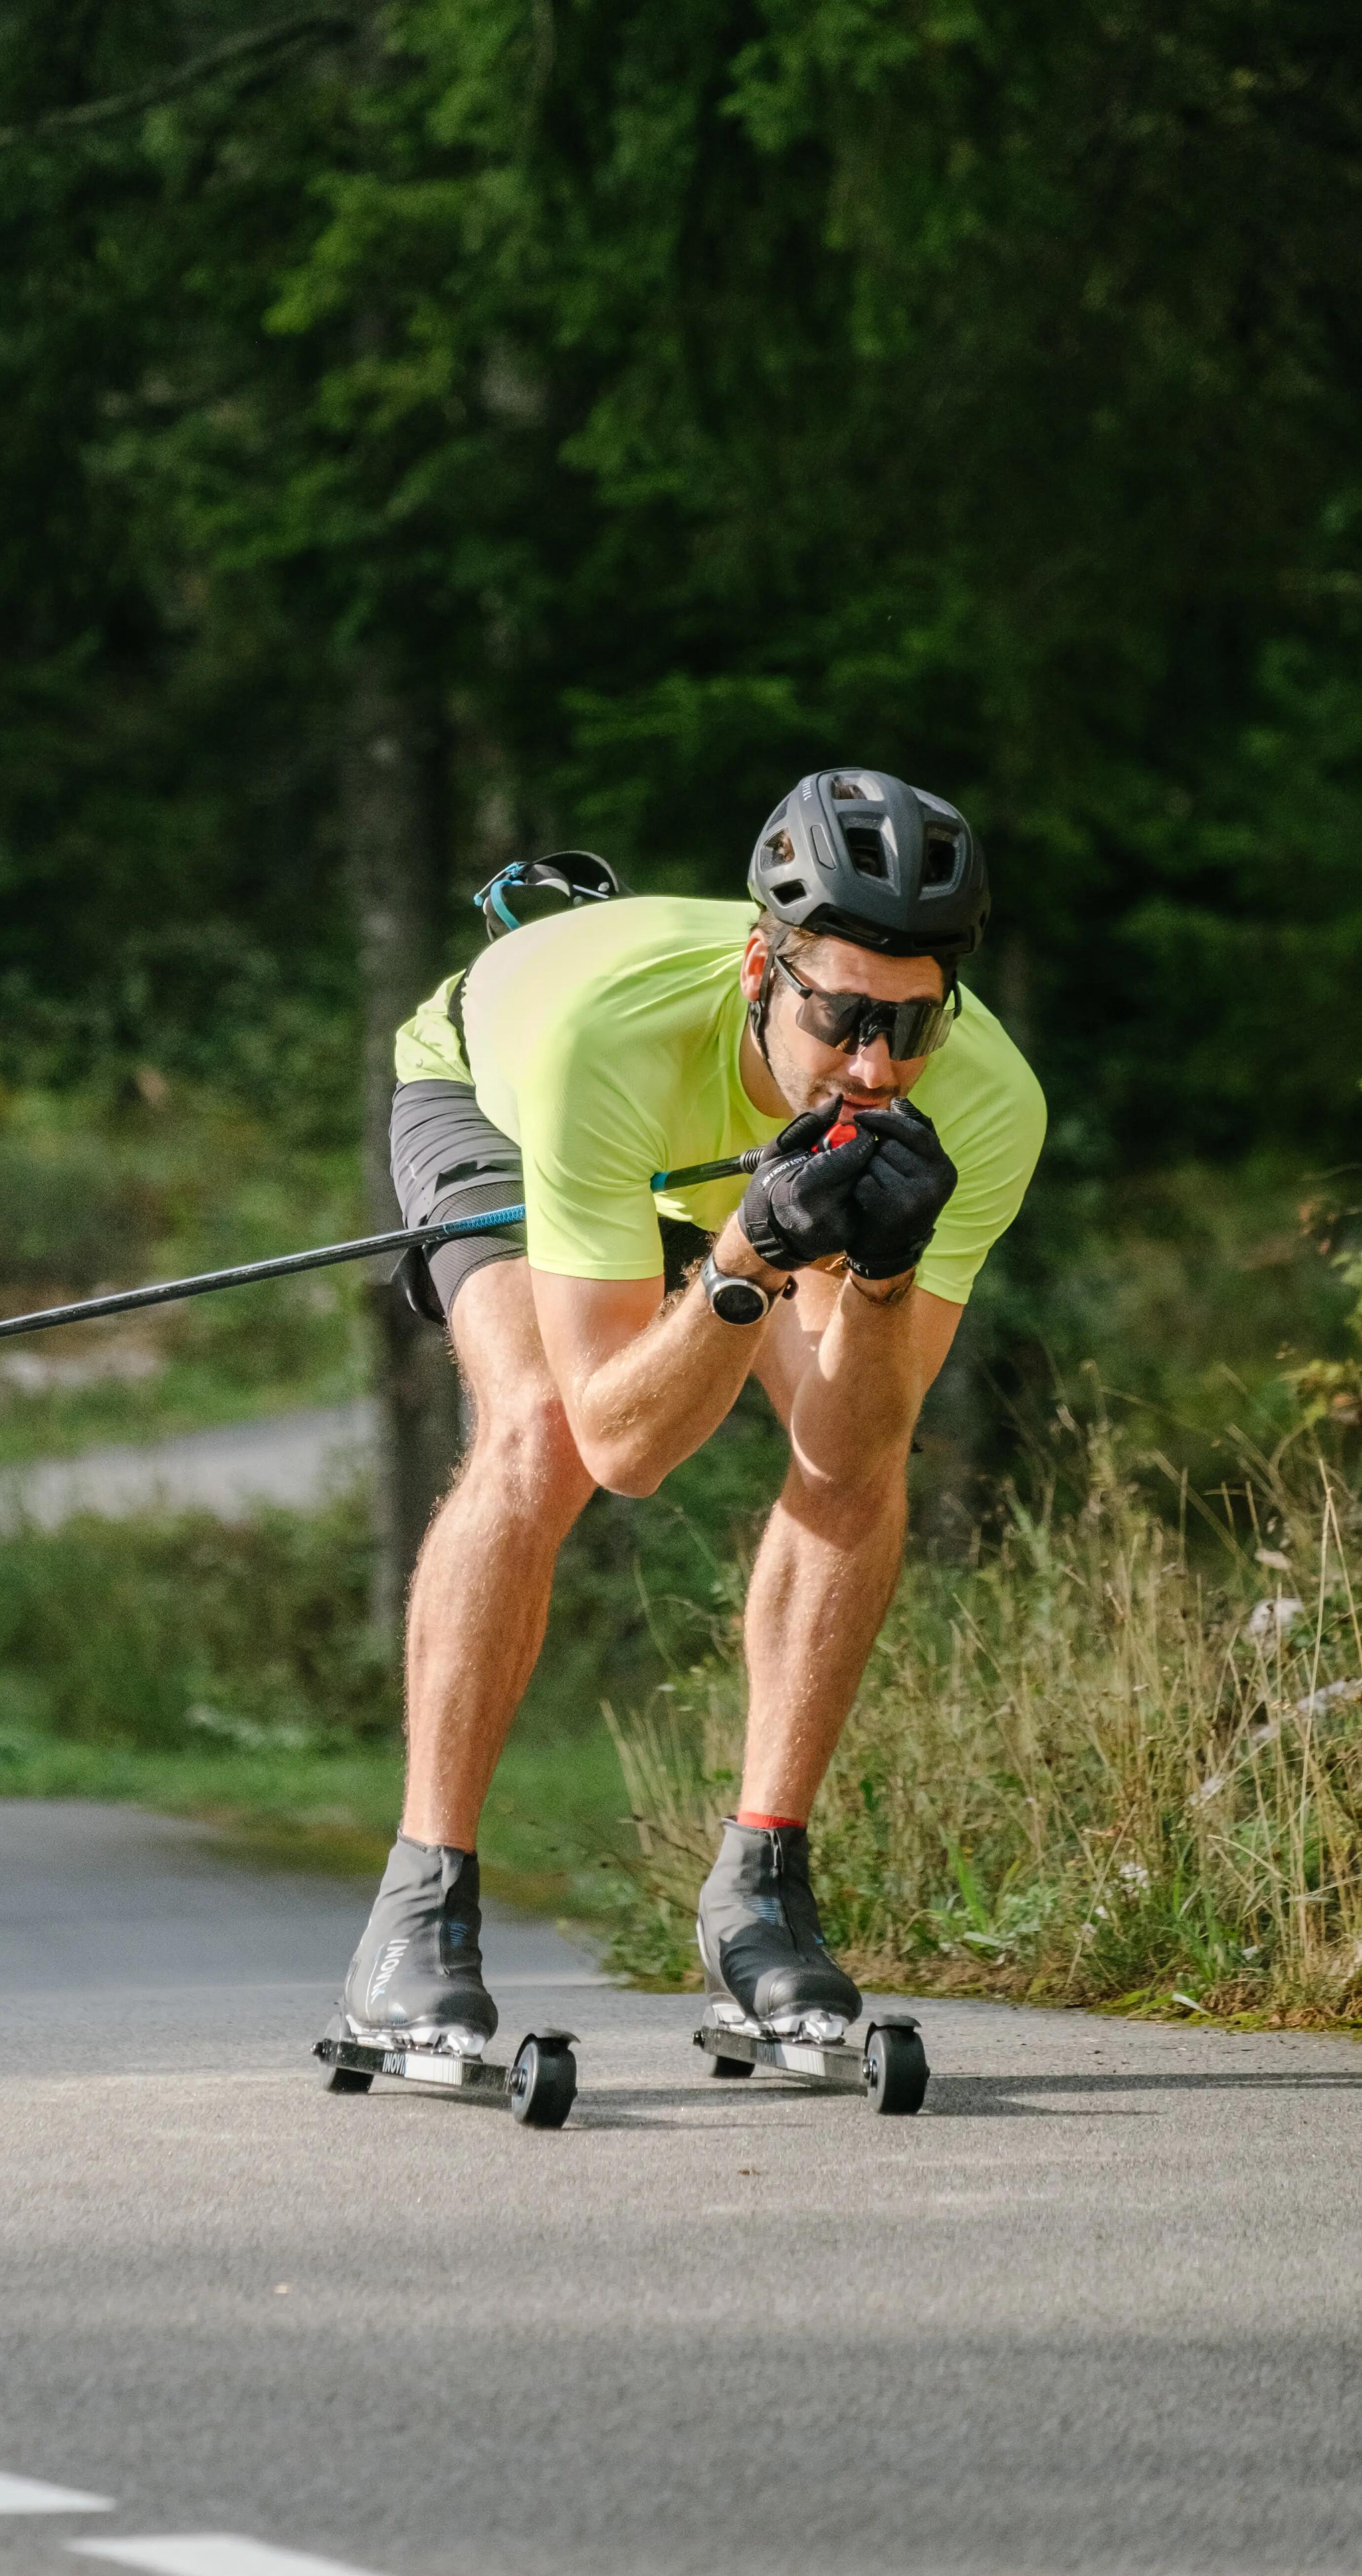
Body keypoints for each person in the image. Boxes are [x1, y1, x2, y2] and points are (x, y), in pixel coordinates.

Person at [338, 769, 1046, 2054]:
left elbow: (851, 1444)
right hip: (503, 1091)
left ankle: (761, 1889)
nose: (878, 1066)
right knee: (542, 1426)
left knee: (862, 1466)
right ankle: (422, 1900)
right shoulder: (602, 1049)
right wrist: (749, 1259)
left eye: (915, 1024)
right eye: (841, 1016)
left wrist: (879, 1281)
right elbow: (626, 1451)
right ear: (762, 973)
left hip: (726, 1169)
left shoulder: (988, 1103)